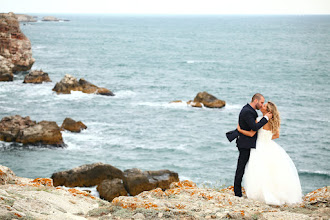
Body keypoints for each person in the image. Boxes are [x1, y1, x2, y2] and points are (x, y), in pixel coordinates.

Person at [237, 101, 302, 205]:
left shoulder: (259, 120)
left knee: (258, 170)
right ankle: (275, 193)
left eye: (264, 106)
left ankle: (260, 194)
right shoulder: (274, 121)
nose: (262, 106)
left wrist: (240, 130)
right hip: (270, 146)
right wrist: (266, 138)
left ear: (267, 110)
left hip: (259, 147)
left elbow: (251, 133)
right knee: (271, 172)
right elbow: (276, 135)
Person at [232, 93, 273, 197]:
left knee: (249, 167)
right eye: (261, 102)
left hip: (249, 143)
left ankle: (249, 190)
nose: (262, 104)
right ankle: (237, 193)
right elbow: (254, 128)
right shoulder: (248, 112)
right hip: (245, 144)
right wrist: (266, 118)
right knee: (241, 167)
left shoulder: (250, 111)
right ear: (256, 101)